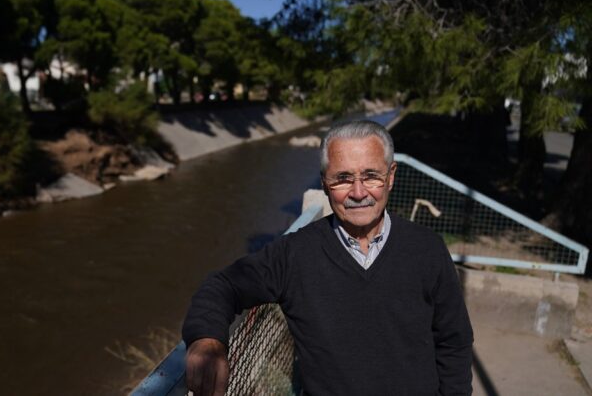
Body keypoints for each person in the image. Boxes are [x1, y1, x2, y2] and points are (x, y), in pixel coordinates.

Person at [182, 120, 473, 395]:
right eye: (342, 179)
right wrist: (207, 341)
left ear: (391, 176)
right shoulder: (295, 255)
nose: (358, 192)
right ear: (324, 183)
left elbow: (454, 341)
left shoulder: (427, 249)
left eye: (371, 176)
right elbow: (224, 286)